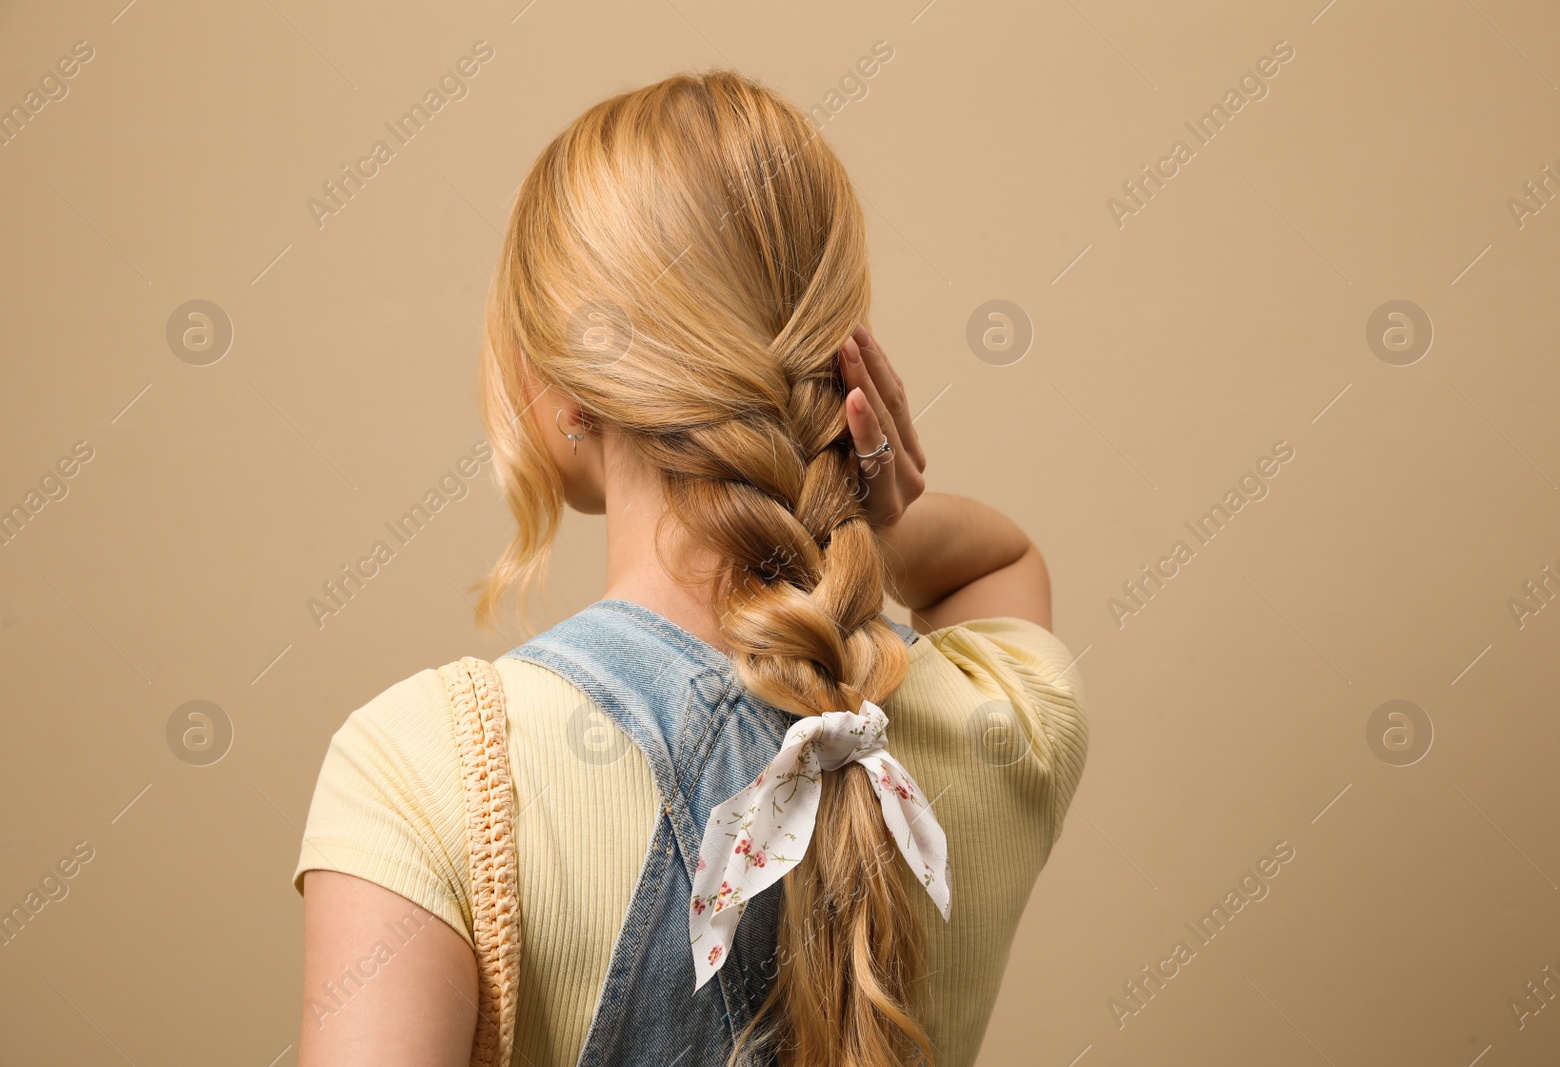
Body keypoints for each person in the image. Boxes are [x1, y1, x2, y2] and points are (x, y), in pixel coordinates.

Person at [293, 69, 1089, 1067]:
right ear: (839, 362)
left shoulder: (424, 769)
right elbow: (999, 556)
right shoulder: (1001, 720)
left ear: (566, 388)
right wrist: (863, 504)